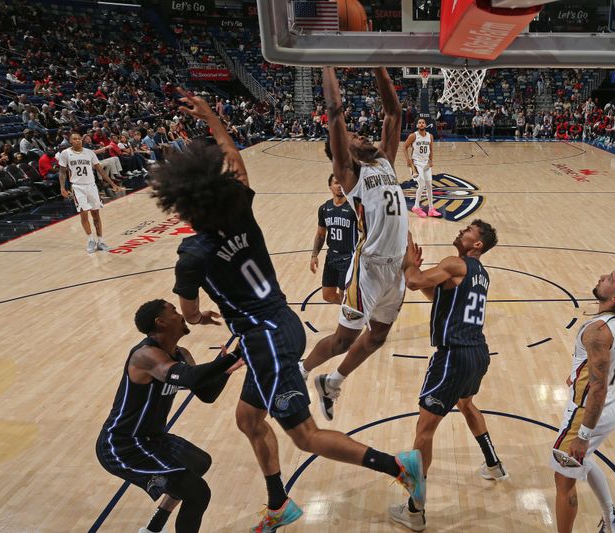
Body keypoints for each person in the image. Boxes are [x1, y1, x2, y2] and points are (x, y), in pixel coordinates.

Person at [150, 90, 424, 531]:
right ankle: (279, 503)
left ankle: (397, 466)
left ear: (180, 206)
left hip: (266, 343)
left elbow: (189, 312)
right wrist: (212, 118)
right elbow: (236, 162)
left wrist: (199, 319)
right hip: (282, 325)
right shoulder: (240, 209)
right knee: (248, 418)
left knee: (306, 436)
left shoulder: (193, 253)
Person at [299, 67, 408, 422]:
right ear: (345, 150)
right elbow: (335, 114)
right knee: (344, 339)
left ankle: (332, 382)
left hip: (395, 267)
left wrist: (376, 63)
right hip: (370, 266)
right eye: (354, 135)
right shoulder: (351, 175)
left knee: (377, 336)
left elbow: (393, 113)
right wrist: (328, 64)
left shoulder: (385, 162)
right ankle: (300, 371)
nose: (360, 135)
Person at [390, 223, 506, 531]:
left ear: (477, 244)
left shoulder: (455, 263)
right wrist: (419, 271)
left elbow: (414, 283)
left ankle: (415, 510)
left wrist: (409, 260)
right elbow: (436, 294)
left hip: (453, 355)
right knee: (466, 405)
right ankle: (494, 465)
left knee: (424, 430)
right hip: (477, 352)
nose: (462, 231)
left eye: (469, 230)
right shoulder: (480, 272)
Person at [96, 300, 244, 533]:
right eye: (174, 311)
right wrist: (234, 354)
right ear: (161, 322)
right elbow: (187, 377)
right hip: (123, 445)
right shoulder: (145, 356)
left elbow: (206, 393)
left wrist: (225, 370)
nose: (179, 314)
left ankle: (153, 529)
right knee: (198, 492)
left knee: (199, 462)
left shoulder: (181, 354)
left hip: (152, 439)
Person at [551, 269, 615, 533]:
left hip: (589, 410)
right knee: (586, 460)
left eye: (610, 279)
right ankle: (612, 521)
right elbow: (602, 367)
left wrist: (582, 434)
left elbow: (598, 388)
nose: (603, 276)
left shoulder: (597, 332)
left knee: (563, 481)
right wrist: (576, 373)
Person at [58, 132, 122, 253]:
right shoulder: (65, 153)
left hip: (91, 186)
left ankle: (100, 240)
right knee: (84, 214)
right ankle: (90, 240)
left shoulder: (90, 153)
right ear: (70, 141)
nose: (78, 141)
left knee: (96, 215)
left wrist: (112, 184)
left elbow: (100, 170)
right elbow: (62, 172)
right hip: (77, 187)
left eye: (79, 138)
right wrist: (62, 187)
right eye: (75, 139)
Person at [310, 174, 357, 304]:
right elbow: (320, 235)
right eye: (336, 183)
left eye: (342, 183)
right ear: (330, 187)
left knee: (344, 296)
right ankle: (355, 309)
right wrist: (314, 255)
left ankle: (352, 318)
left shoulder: (353, 208)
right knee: (328, 295)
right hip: (331, 257)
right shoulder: (324, 208)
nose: (340, 186)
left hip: (348, 258)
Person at [404, 118, 440, 218]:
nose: (421, 124)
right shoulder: (413, 136)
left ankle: (431, 209)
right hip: (416, 163)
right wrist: (408, 160)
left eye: (423, 123)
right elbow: (404, 147)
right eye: (419, 123)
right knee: (422, 184)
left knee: (429, 185)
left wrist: (431, 160)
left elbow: (431, 150)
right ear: (417, 125)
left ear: (425, 125)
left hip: (426, 164)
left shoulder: (430, 136)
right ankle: (416, 206)